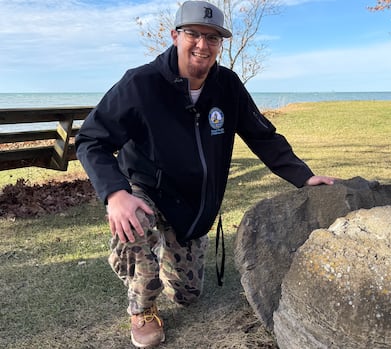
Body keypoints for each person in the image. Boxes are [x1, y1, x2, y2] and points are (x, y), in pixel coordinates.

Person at [75, 1, 335, 347]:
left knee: (188, 295)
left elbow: (262, 135)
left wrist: (303, 176)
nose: (202, 44)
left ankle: (164, 259)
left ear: (220, 44)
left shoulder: (226, 85)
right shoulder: (140, 84)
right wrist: (115, 193)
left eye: (212, 38)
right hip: (146, 189)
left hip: (193, 204)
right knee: (134, 222)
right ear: (175, 36)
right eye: (193, 34)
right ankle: (142, 307)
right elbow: (91, 140)